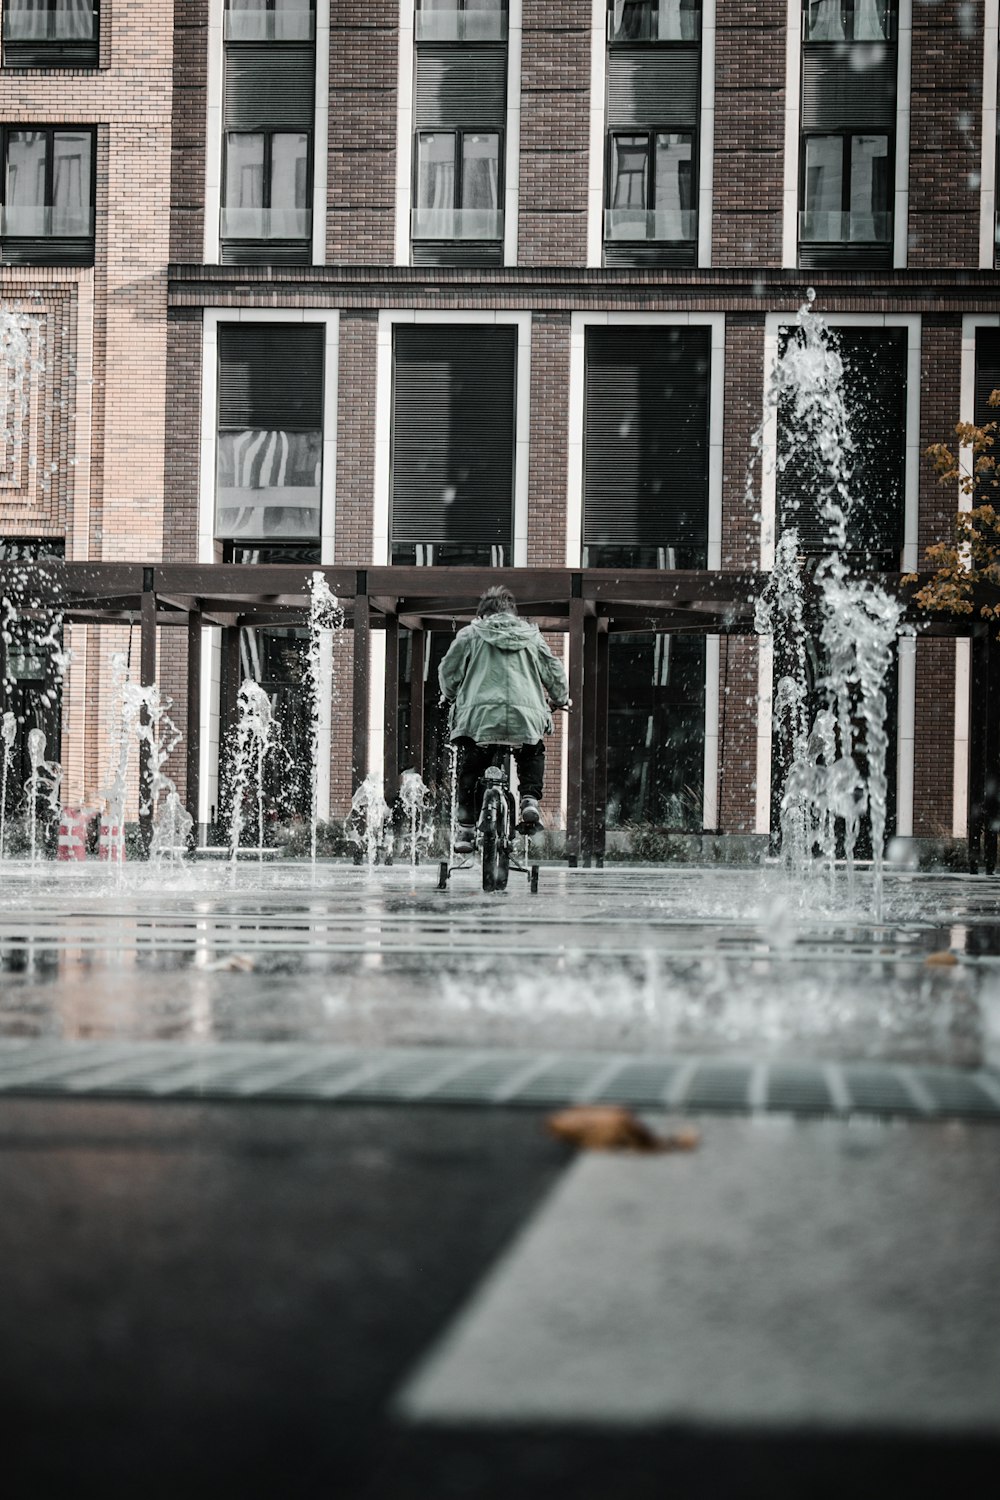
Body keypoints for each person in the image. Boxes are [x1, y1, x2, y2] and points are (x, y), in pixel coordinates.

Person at [439, 585, 569, 841]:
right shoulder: (531, 636)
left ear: (483, 614)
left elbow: (448, 671)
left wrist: (450, 693)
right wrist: (560, 698)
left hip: (478, 720)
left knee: (470, 767)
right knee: (531, 751)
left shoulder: (471, 634)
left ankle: (465, 827)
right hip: (525, 717)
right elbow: (554, 670)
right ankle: (530, 799)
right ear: (513, 613)